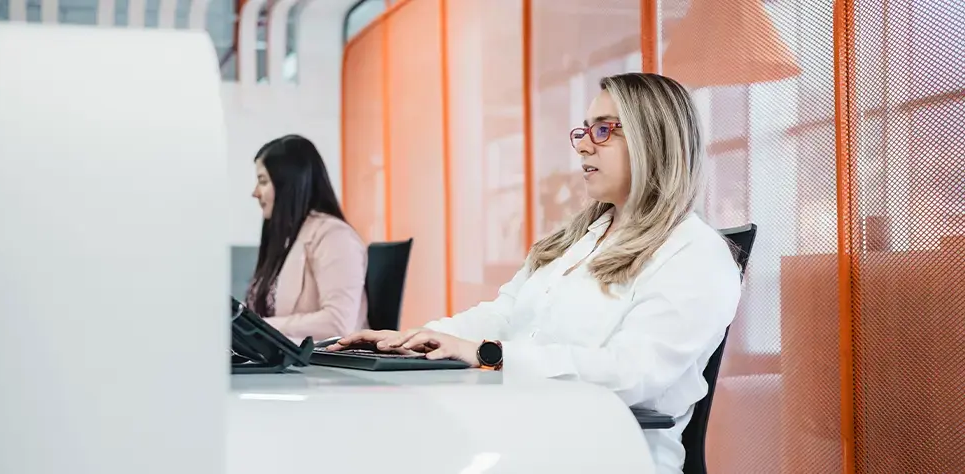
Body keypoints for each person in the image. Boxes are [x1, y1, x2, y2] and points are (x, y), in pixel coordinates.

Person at [328, 73, 742, 473]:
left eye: (603, 130)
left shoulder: (696, 255)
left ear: (654, 139)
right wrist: (414, 340)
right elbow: (504, 315)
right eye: (583, 131)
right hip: (527, 430)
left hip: (606, 451)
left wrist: (490, 354)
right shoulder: (576, 239)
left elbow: (633, 372)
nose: (583, 147)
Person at [247, 135, 368, 341]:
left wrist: (261, 326)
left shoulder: (334, 236)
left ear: (289, 183)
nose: (255, 193)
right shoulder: (287, 238)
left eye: (263, 181)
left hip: (326, 367)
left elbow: (338, 321)